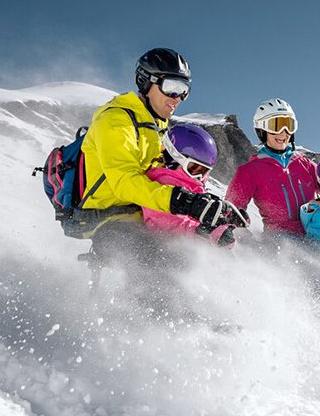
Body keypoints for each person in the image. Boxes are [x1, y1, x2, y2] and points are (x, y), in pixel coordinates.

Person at [69, 47, 245, 262]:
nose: (177, 98)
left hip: (146, 214)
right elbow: (125, 182)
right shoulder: (115, 121)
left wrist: (212, 211)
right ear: (145, 82)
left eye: (184, 90)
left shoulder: (157, 125)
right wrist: (184, 201)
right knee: (163, 265)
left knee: (194, 255)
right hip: (111, 217)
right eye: (171, 87)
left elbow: (171, 176)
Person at [225, 98, 318, 237]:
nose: (283, 132)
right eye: (276, 125)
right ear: (262, 129)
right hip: (279, 242)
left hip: (316, 236)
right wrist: (243, 239)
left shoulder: (305, 164)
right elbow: (231, 210)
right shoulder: (250, 171)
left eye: (288, 125)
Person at [142, 124, 238, 247]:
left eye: (204, 171)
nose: (199, 176)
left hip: (187, 249)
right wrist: (204, 232)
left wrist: (226, 218)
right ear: (173, 157)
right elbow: (166, 222)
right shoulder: (162, 184)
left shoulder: (192, 186)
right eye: (194, 168)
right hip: (164, 250)